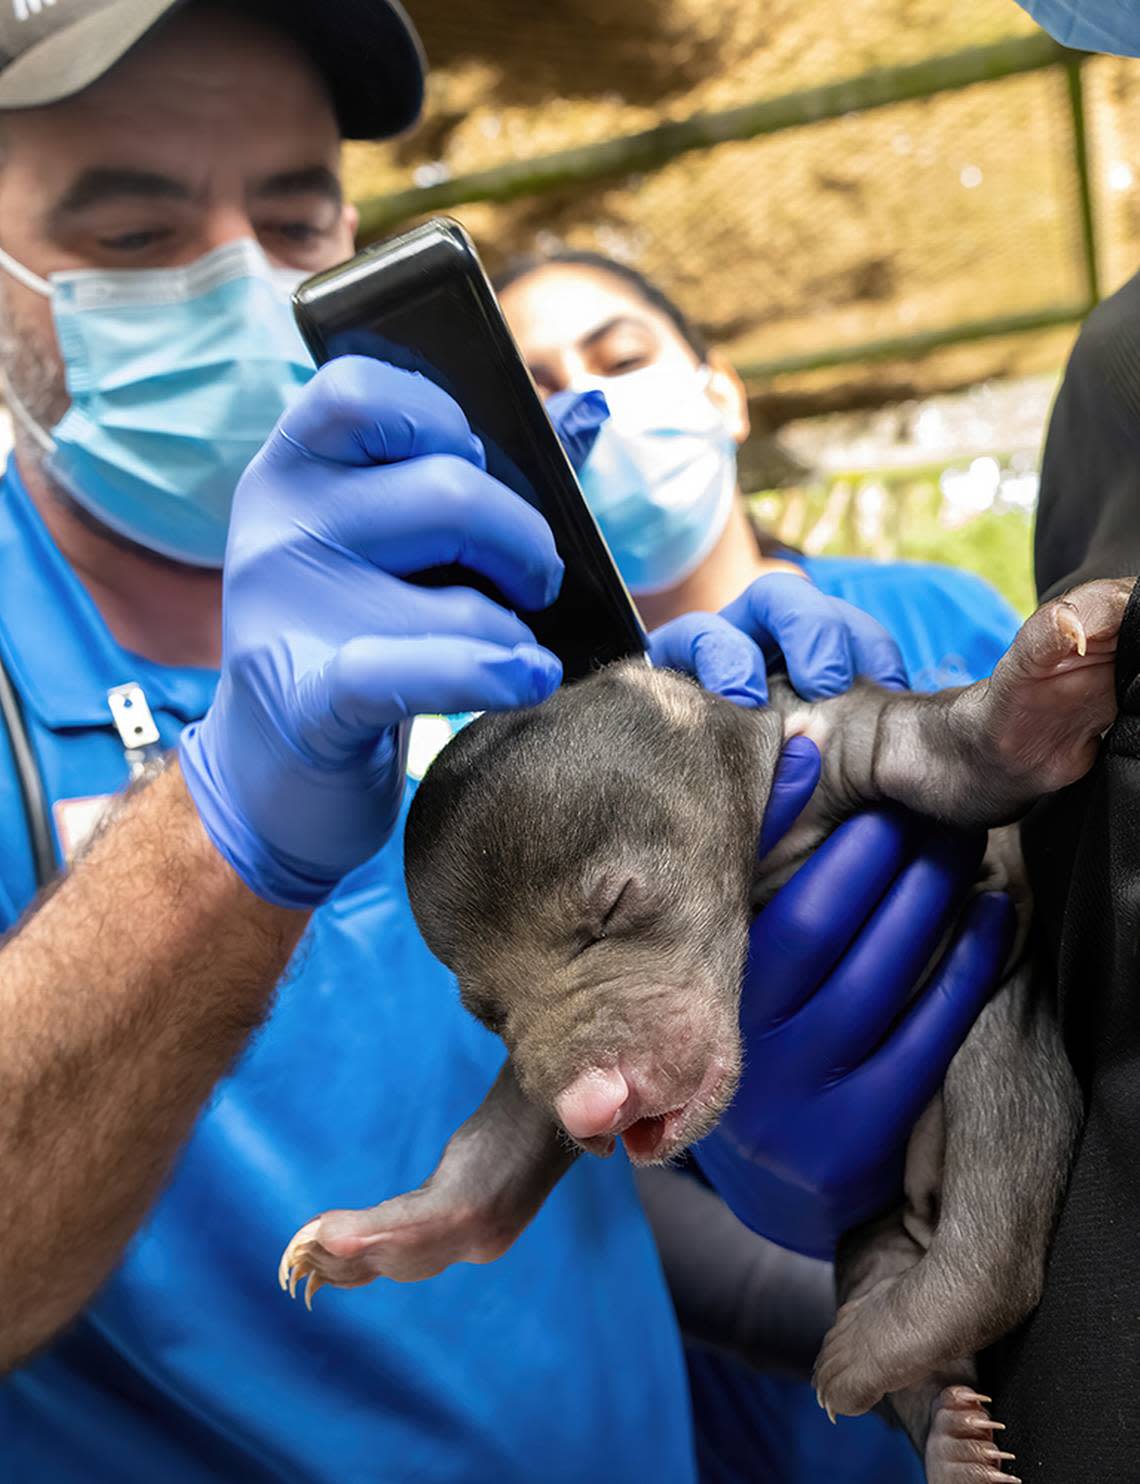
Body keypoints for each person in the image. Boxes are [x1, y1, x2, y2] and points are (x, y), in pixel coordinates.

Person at [0, 4, 1012, 1479]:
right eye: (140, 236)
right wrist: (226, 819)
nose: (237, 281)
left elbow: (582, 1114)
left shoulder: (479, 575)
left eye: (292, 219)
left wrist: (765, 1040)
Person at [497, 248, 1023, 1484]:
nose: (593, 405)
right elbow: (574, 1156)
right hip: (807, 1426)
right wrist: (856, 1282)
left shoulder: (929, 615)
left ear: (722, 393)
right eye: (538, 392)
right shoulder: (523, 777)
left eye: (623, 359)